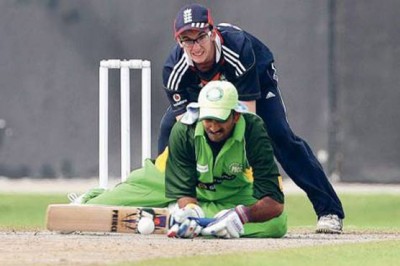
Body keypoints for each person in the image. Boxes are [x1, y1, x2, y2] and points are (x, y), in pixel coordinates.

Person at [158, 3, 344, 233]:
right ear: (179, 42)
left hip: (253, 81)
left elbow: (248, 119)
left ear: (212, 32)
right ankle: (174, 204)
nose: (195, 47)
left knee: (279, 135)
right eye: (187, 40)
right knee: (169, 131)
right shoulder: (174, 69)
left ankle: (329, 210)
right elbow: (185, 129)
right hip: (203, 92)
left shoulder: (238, 49)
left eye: (200, 37)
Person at [83, 80, 287, 239]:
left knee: (277, 224)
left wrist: (242, 216)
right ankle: (196, 220)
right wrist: (190, 210)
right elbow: (184, 191)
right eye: (208, 119)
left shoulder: (253, 130)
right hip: (163, 179)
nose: (213, 127)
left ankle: (195, 222)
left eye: (220, 119)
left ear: (236, 116)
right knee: (94, 209)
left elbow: (275, 202)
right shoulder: (183, 130)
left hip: (231, 190)